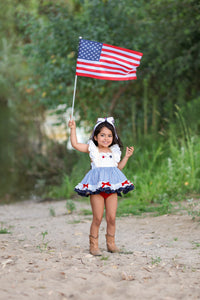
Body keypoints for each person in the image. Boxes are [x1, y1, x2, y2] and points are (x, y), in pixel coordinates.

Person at [68, 117, 134, 256]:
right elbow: (75, 144)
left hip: (111, 189)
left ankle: (111, 244)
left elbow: (118, 169)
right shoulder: (92, 149)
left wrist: (126, 157)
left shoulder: (114, 152)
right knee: (97, 218)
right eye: (102, 135)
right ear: (96, 137)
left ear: (113, 137)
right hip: (97, 188)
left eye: (109, 135)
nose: (106, 138)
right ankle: (94, 245)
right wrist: (73, 128)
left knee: (111, 217)